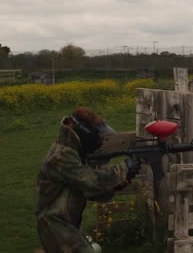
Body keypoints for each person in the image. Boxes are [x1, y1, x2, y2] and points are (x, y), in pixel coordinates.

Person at [35, 106, 141, 253]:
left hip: (65, 222)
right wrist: (123, 168)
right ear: (79, 129)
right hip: (54, 223)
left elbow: (92, 192)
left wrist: (123, 180)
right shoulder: (62, 155)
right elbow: (92, 181)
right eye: (95, 132)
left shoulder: (75, 152)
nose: (97, 138)